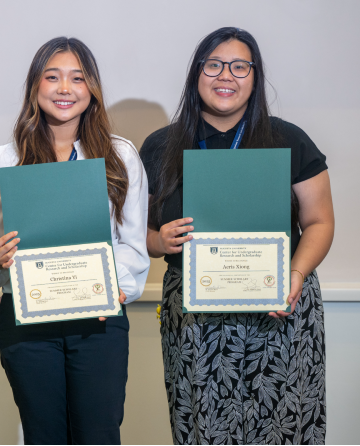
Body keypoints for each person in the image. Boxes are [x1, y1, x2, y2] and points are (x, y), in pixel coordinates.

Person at [140, 27, 334, 445]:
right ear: (197, 73)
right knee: (203, 430)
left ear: (255, 76)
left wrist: (296, 275)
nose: (225, 76)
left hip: (282, 308)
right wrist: (160, 241)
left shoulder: (289, 140)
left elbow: (319, 221)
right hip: (195, 317)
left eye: (239, 66)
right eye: (213, 65)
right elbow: (139, 232)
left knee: (286, 429)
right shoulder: (160, 147)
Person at [0, 37, 150, 445]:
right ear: (35, 87)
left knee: (98, 436)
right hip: (29, 326)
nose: (64, 88)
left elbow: (132, 244)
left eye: (77, 78)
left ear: (92, 90)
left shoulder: (120, 156)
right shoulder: (6, 158)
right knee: (43, 435)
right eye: (52, 77)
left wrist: (112, 288)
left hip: (99, 322)